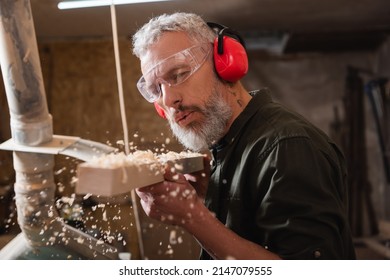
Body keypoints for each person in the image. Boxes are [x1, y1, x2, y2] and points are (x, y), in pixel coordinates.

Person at [131, 12, 356, 260]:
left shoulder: (288, 146)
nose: (169, 100)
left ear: (225, 63)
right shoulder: (229, 144)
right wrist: (213, 194)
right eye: (156, 89)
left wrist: (192, 217)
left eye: (178, 75)